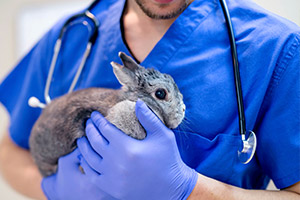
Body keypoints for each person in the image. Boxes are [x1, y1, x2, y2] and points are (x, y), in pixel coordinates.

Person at [0, 0, 299, 199]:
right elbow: (10, 150)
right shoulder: (71, 35)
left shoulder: (276, 49)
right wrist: (57, 191)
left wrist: (189, 189)